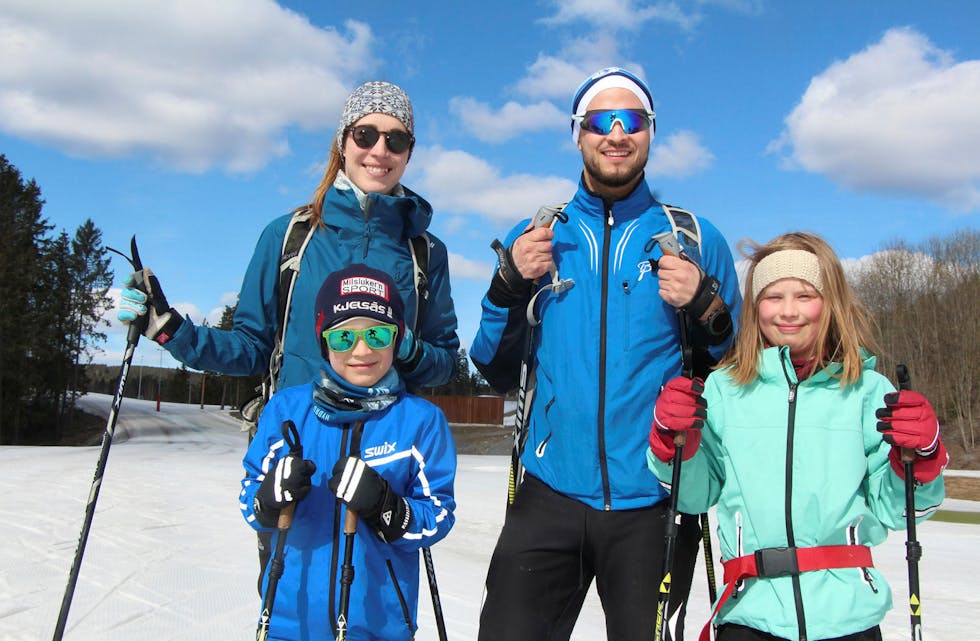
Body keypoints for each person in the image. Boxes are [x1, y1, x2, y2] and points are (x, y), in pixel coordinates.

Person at [117, 80, 460, 584]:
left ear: (410, 152)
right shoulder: (289, 237)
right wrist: (171, 330)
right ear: (343, 142)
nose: (379, 151)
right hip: (299, 458)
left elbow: (446, 361)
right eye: (366, 134)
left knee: (376, 610)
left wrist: (405, 348)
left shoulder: (425, 252)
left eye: (397, 139)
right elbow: (252, 348)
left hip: (388, 467)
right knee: (292, 609)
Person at [470, 67, 742, 641]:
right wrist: (508, 284)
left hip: (657, 495)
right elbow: (493, 365)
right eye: (600, 120)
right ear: (578, 134)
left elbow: (732, 365)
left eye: (632, 120)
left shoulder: (694, 236)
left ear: (650, 132)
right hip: (549, 491)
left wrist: (704, 304)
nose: (616, 133)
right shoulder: (539, 234)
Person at [648, 232, 947, 641]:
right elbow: (693, 496)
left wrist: (921, 459)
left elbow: (899, 511)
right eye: (773, 297)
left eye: (805, 295)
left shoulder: (868, 392)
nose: (788, 312)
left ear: (831, 302)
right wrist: (672, 445)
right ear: (755, 307)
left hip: (848, 619)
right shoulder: (725, 390)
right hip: (750, 615)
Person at [240, 264, 456, 641]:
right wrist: (268, 500)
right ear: (324, 341)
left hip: (379, 628)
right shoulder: (286, 410)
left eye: (377, 333)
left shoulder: (420, 421)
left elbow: (438, 515)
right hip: (289, 625)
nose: (362, 350)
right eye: (343, 338)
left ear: (397, 338)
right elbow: (250, 501)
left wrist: (387, 507)